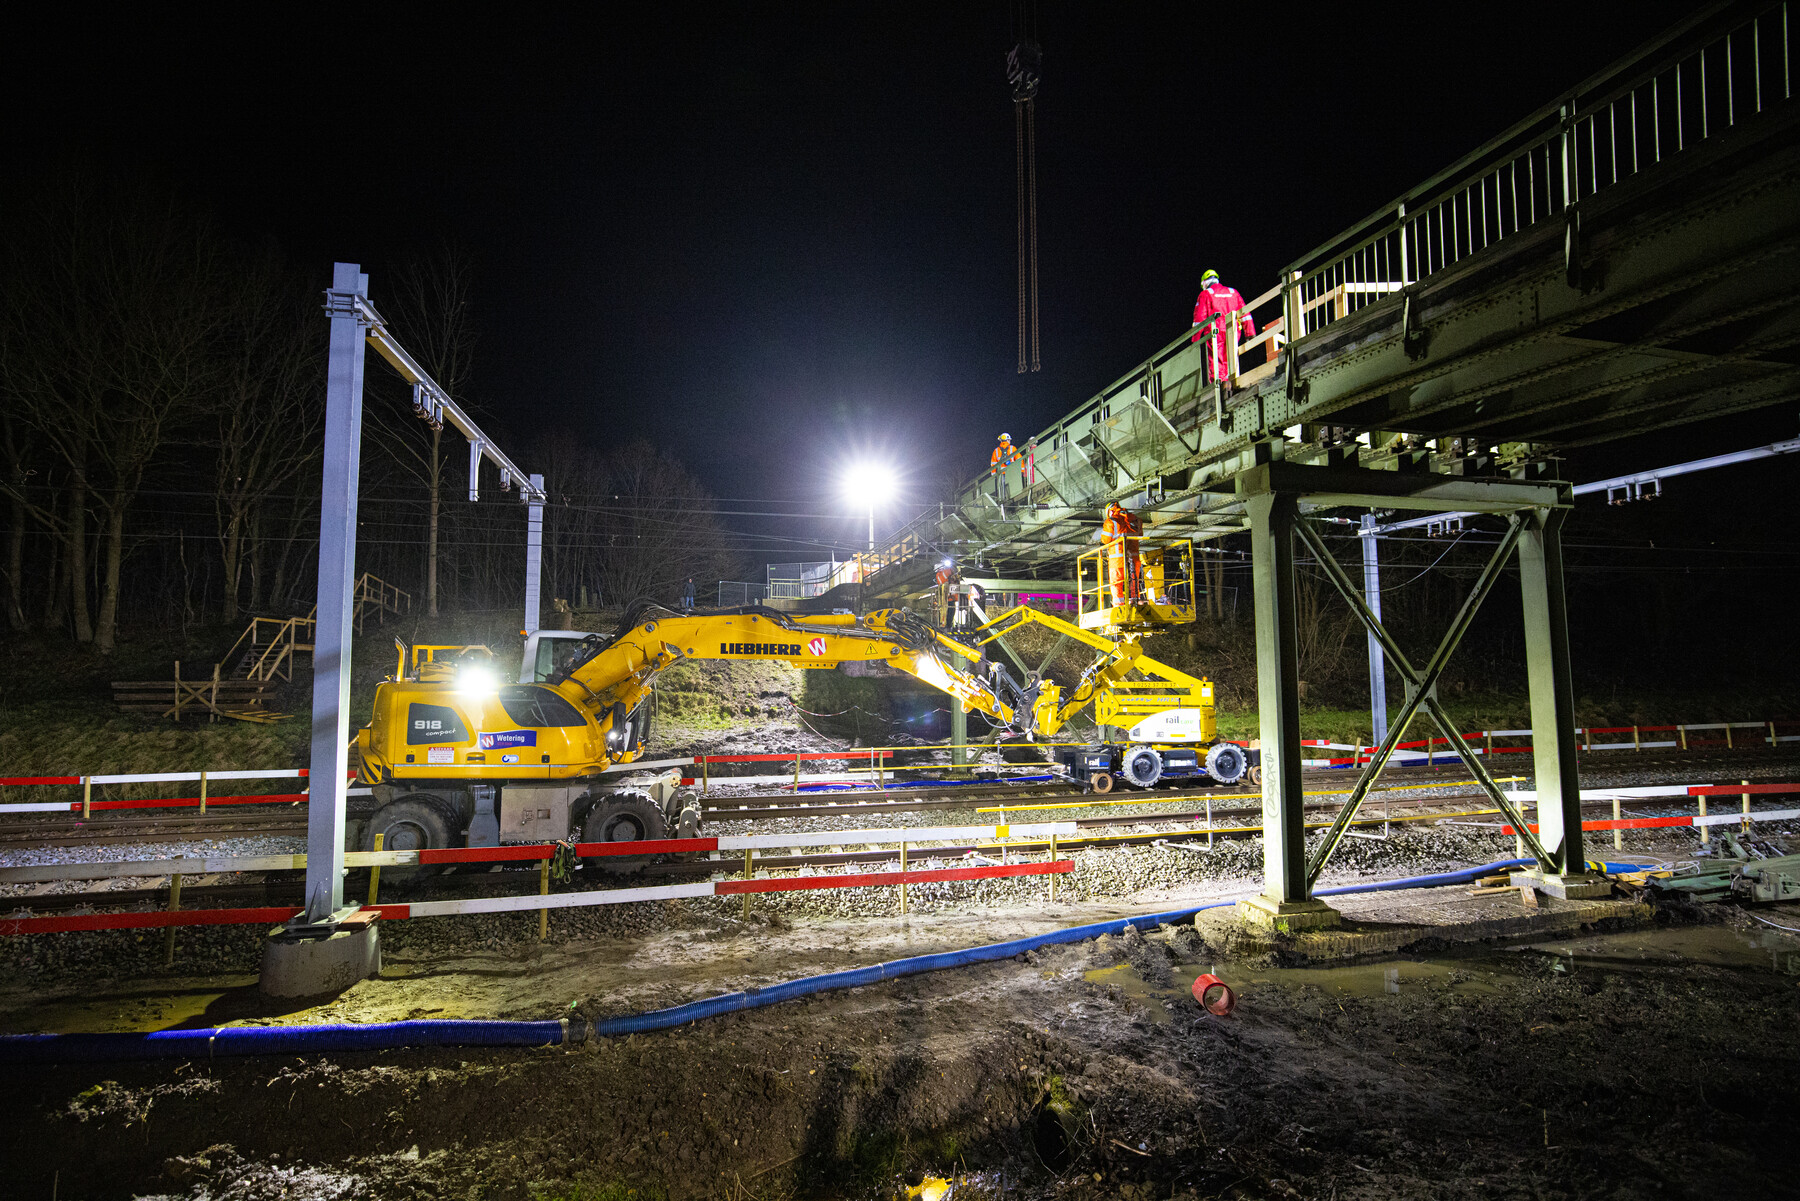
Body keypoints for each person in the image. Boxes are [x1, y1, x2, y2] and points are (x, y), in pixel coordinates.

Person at [1191, 269, 1257, 385]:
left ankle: (1220, 384)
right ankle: (1232, 380)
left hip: (1215, 331)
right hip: (1232, 329)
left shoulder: (1205, 294)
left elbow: (1199, 319)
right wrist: (1250, 333)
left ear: (1204, 282)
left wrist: (1195, 340)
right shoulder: (1233, 292)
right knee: (1231, 356)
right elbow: (1245, 314)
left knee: (1216, 360)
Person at [1101, 501, 1143, 607]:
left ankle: (1118, 604)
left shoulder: (1111, 522)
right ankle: (1134, 600)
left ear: (1110, 511)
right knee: (1134, 580)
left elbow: (1105, 540)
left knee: (1116, 582)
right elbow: (1140, 534)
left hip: (1117, 559)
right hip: (1134, 558)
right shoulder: (1135, 520)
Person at [990, 432, 1020, 505]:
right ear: (1007, 440)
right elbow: (1019, 460)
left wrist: (994, 475)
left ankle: (1002, 501)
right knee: (1013, 487)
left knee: (1001, 489)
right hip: (1011, 472)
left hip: (1000, 473)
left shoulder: (996, 451)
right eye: (1009, 440)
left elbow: (993, 464)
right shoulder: (1013, 448)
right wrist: (1021, 470)